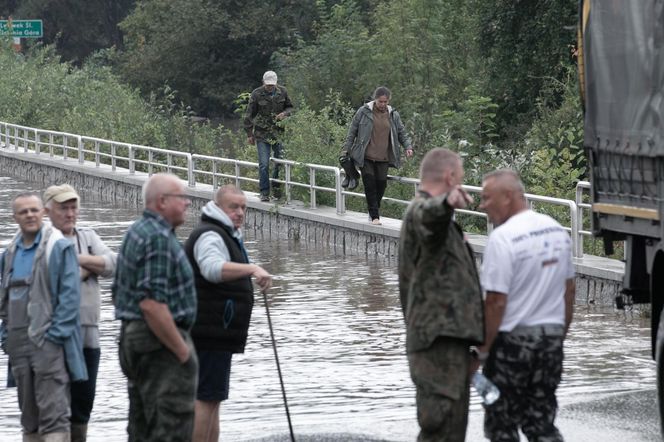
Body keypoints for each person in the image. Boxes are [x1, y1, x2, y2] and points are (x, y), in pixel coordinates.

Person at [473, 169, 575, 441]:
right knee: (541, 423)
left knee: (501, 425)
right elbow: (569, 290)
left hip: (511, 346)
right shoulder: (557, 230)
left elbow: (495, 302)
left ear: (508, 197)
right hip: (550, 342)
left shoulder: (503, 238)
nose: (482, 206)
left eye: (486, 198)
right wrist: (557, 338)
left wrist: (481, 352)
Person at [398, 148, 485, 441]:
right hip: (436, 344)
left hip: (451, 344)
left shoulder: (441, 225)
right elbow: (429, 217)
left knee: (452, 430)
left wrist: (474, 344)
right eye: (459, 179)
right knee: (439, 428)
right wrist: (447, 203)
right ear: (450, 177)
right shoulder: (420, 211)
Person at [113, 173, 199, 442]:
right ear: (162, 201)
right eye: (182, 197)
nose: (187, 203)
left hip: (134, 338)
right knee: (170, 426)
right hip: (159, 343)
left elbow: (120, 293)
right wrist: (182, 351)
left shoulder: (137, 231)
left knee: (142, 426)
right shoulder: (159, 238)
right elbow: (151, 304)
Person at [184, 185, 272, 442]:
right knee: (206, 399)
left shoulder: (226, 233)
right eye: (234, 207)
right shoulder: (210, 234)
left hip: (217, 331)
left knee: (213, 399)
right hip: (208, 330)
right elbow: (212, 269)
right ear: (219, 207)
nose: (240, 212)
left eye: (244, 207)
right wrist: (251, 268)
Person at [0, 192, 87, 442]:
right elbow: (4, 301)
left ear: (43, 213)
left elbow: (70, 300)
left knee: (54, 417)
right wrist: (6, 338)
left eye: (34, 210)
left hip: (49, 344)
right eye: (23, 211)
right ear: (14, 217)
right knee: (29, 419)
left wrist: (53, 339)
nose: (29, 215)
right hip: (18, 345)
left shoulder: (59, 247)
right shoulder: (9, 253)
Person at [43, 184, 117, 442]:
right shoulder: (41, 241)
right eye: (64, 208)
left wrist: (78, 260)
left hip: (88, 334)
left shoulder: (87, 235)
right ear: (48, 210)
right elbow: (50, 283)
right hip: (53, 337)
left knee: (83, 403)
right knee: (54, 406)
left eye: (74, 207)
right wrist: (88, 268)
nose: (70, 213)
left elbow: (113, 263)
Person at [343, 86, 414, 225]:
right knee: (369, 184)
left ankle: (373, 210)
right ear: (375, 100)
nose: (382, 104)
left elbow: (401, 132)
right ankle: (375, 216)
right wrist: (346, 148)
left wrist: (408, 147)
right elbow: (352, 131)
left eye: (385, 102)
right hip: (366, 156)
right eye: (380, 101)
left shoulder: (393, 114)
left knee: (381, 184)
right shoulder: (363, 112)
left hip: (383, 157)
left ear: (388, 101)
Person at [243, 70, 294, 202]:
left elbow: (290, 108)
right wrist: (249, 134)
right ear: (263, 82)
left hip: (279, 134)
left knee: (279, 163)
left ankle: (276, 190)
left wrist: (284, 114)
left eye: (272, 85)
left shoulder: (283, 92)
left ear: (276, 83)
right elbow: (249, 114)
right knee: (264, 164)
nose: (270, 87)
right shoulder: (256, 94)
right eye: (267, 85)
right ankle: (264, 192)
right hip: (262, 134)